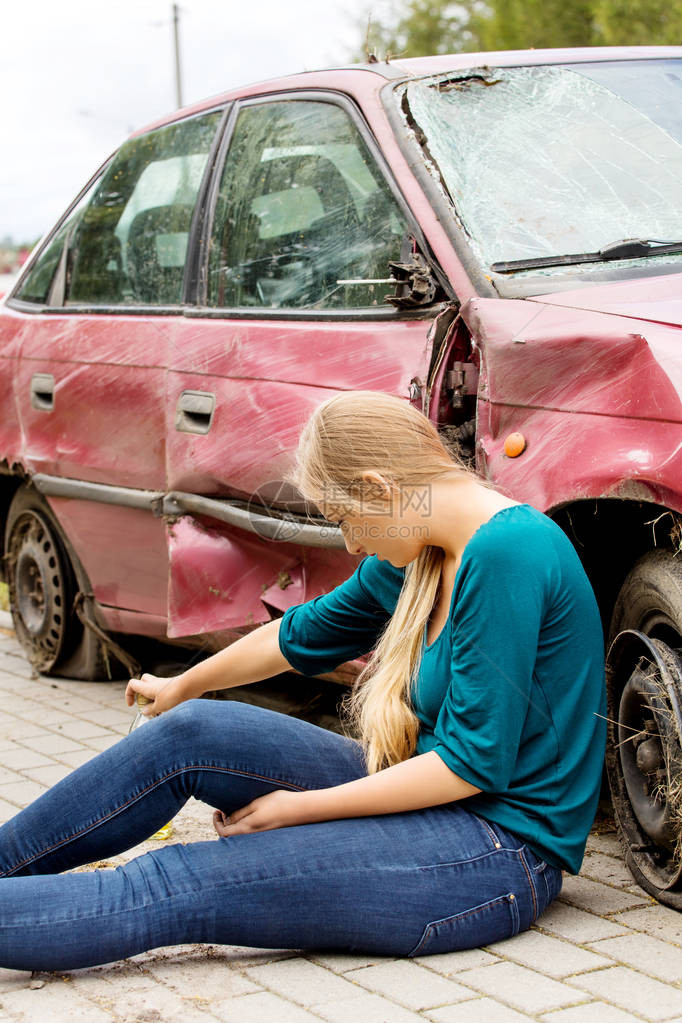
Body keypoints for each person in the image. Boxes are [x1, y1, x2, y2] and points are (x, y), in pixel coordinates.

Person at [0, 391, 606, 971]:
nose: (350, 540)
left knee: (183, 879)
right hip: (421, 788)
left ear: (378, 489)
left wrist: (298, 810)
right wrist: (187, 683)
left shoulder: (507, 553)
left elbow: (471, 765)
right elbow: (299, 635)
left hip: (497, 851)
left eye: (345, 518)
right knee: (186, 733)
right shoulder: (426, 548)